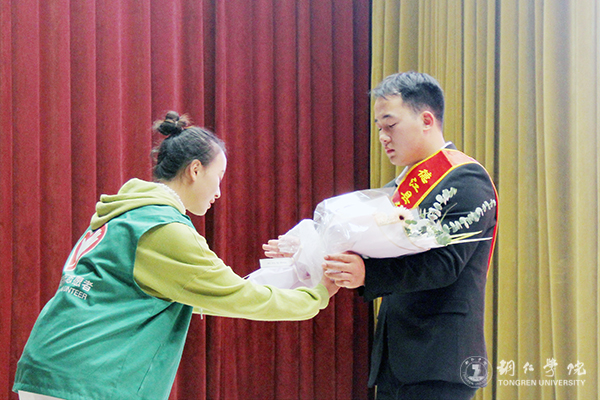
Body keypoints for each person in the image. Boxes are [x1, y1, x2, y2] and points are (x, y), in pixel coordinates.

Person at [13, 111, 339, 400]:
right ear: (195, 170)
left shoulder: (125, 213)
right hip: (88, 378)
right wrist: (316, 295)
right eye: (218, 178)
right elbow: (236, 296)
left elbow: (199, 294)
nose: (218, 192)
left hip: (53, 364)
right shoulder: (164, 228)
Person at [322, 72, 497, 399]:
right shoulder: (402, 184)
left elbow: (445, 264)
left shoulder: (466, 178)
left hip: (440, 358)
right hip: (396, 359)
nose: (383, 137)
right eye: (379, 128)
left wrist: (367, 273)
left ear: (427, 120)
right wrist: (310, 244)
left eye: (390, 125)